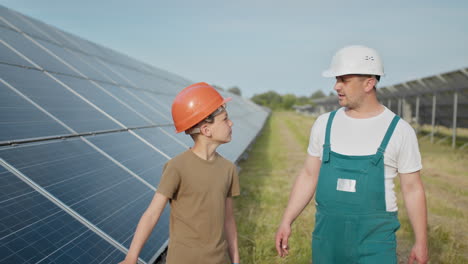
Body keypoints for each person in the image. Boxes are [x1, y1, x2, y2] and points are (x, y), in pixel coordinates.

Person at [275, 45, 428, 263]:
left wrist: (421, 241)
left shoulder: (399, 131)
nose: (336, 86)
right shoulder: (324, 124)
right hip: (326, 242)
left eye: (344, 80)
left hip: (375, 243)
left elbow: (413, 188)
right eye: (337, 79)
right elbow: (309, 175)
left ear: (369, 83)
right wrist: (286, 220)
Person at [119, 82, 240, 264]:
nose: (231, 123)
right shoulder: (177, 167)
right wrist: (131, 257)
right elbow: (152, 214)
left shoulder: (228, 169)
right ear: (206, 130)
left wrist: (236, 260)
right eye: (225, 119)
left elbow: (229, 221)